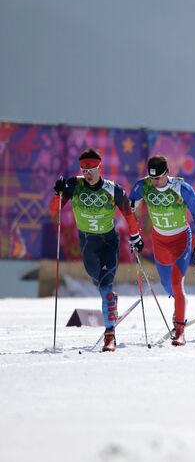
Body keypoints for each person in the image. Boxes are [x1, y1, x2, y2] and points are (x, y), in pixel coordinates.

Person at [50, 148, 144, 352]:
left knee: (105, 287)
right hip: (87, 244)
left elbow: (128, 215)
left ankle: (110, 335)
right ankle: (110, 301)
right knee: (97, 281)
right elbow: (53, 212)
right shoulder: (74, 185)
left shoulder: (113, 189)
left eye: (92, 169)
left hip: (109, 242)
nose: (88, 174)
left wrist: (135, 237)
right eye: (84, 170)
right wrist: (58, 194)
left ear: (100, 167)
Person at [129, 155, 195, 346]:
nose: (155, 182)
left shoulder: (181, 188)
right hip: (159, 241)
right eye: (152, 178)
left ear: (167, 173)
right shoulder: (143, 186)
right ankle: (181, 302)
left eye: (159, 178)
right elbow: (129, 210)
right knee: (167, 285)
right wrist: (134, 235)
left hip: (181, 240)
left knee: (177, 283)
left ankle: (180, 329)